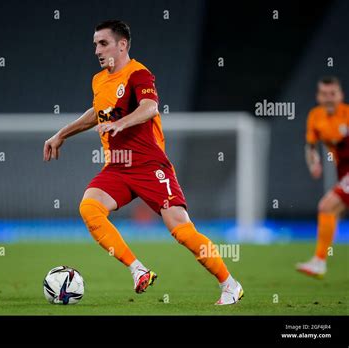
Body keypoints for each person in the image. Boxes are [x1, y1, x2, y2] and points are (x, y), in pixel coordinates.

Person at [44, 20, 243, 304]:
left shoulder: (139, 74)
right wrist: (61, 134)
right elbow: (96, 112)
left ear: (122, 45)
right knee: (90, 208)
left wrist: (122, 123)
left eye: (103, 43)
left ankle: (230, 285)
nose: (97, 50)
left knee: (182, 230)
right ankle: (138, 270)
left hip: (150, 165)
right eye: (95, 44)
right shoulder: (99, 80)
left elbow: (150, 108)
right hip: (117, 168)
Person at [297, 76, 349, 278]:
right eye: (324, 94)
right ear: (318, 96)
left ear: (341, 95)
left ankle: (319, 261)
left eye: (332, 94)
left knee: (327, 206)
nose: (329, 98)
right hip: (343, 172)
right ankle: (320, 260)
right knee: (331, 210)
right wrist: (314, 163)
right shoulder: (315, 116)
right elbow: (310, 146)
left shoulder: (347, 115)